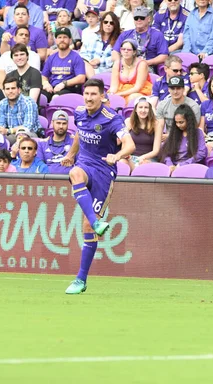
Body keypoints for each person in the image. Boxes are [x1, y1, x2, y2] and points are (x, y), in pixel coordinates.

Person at [60, 78, 135, 295]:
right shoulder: (80, 113)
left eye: (94, 94)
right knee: (74, 173)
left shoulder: (113, 119)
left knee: (86, 227)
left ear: (102, 96)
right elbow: (78, 135)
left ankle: (81, 279)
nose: (89, 98)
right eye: (86, 94)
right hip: (84, 165)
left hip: (104, 171)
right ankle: (97, 222)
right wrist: (71, 154)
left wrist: (118, 155)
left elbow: (129, 144)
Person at [111, 7, 168, 72]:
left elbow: (164, 56)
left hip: (147, 67)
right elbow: (115, 53)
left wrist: (146, 62)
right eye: (136, 18)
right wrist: (122, 63)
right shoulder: (125, 34)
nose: (139, 20)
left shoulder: (158, 35)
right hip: (125, 67)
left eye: (142, 18)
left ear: (149, 19)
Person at [41, 27, 86, 101]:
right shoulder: (51, 58)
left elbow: (81, 78)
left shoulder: (76, 57)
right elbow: (44, 76)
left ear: (70, 40)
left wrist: (64, 84)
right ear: (56, 40)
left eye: (65, 37)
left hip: (69, 89)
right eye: (59, 37)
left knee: (56, 98)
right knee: (41, 97)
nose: (62, 40)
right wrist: (46, 84)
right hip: (52, 87)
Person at [159, 103, 207, 170]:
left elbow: (201, 153)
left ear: (189, 121)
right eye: (176, 122)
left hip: (190, 167)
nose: (178, 125)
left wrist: (182, 165)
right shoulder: (174, 133)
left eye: (181, 122)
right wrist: (170, 165)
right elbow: (166, 153)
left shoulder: (198, 133)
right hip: (172, 168)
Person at [0, 75, 43, 141]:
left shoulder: (28, 102)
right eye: (7, 89)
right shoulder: (2, 104)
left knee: (22, 137)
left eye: (13, 88)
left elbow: (27, 127)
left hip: (30, 135)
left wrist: (8, 131)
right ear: (4, 91)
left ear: (19, 90)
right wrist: (1, 130)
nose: (10, 91)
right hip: (11, 135)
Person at [107, 38, 152, 104]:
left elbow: (137, 88)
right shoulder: (117, 63)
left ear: (134, 52)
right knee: (110, 99)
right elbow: (114, 86)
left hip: (139, 91)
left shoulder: (142, 64)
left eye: (129, 50)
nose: (125, 51)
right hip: (121, 89)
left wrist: (120, 94)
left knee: (132, 97)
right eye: (123, 49)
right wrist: (112, 95)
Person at [81, 11, 120, 78]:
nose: (108, 24)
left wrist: (100, 61)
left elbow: (117, 59)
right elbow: (82, 53)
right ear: (102, 23)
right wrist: (90, 62)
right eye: (105, 22)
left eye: (111, 23)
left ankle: (93, 81)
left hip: (107, 71)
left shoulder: (119, 40)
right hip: (89, 68)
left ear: (115, 25)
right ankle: (93, 81)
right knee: (83, 64)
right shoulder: (91, 36)